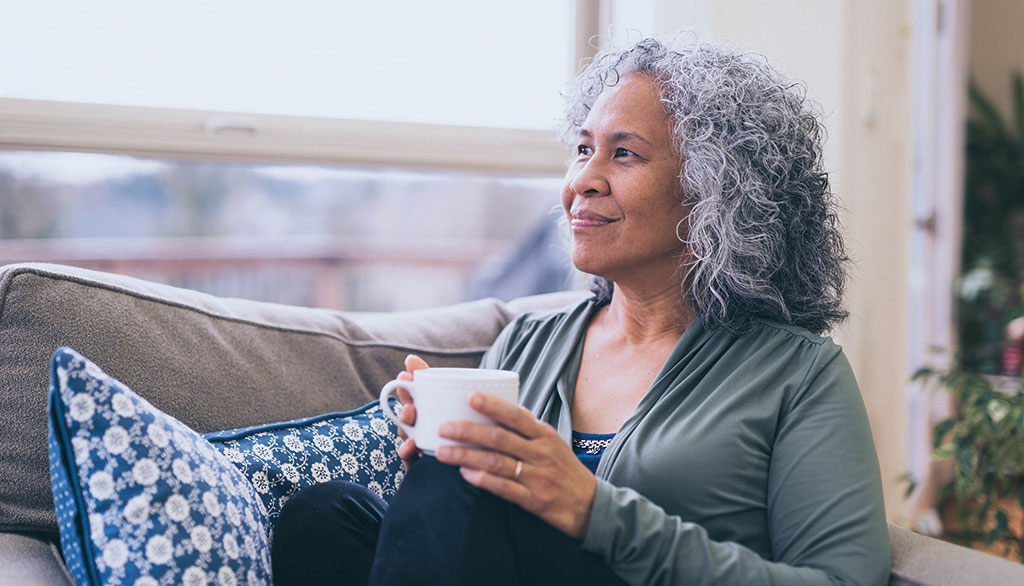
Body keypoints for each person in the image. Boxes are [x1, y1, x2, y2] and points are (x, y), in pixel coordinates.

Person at [271, 37, 891, 586]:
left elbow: (843, 579)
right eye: (583, 148)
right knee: (325, 517)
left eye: (624, 154)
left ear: (715, 192)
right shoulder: (527, 342)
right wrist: (436, 463)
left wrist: (596, 512)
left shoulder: (798, 375)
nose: (582, 181)